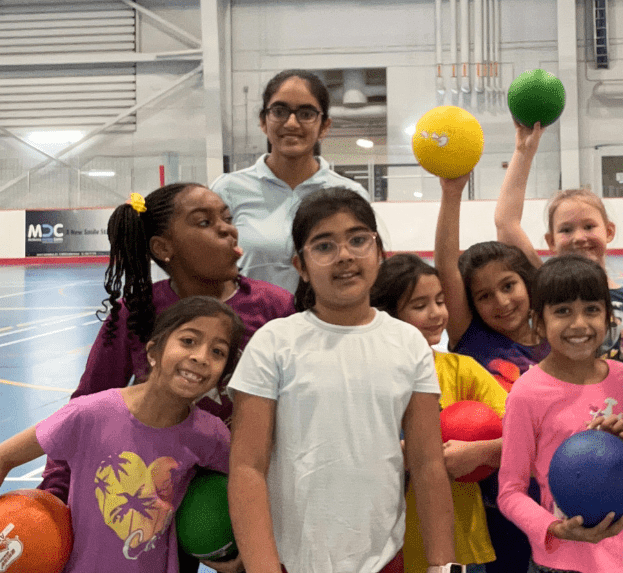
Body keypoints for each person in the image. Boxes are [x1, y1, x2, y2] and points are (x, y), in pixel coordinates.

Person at [38, 183, 293, 572]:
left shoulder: (273, 306)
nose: (229, 229)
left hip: (247, 482)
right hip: (161, 491)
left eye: (227, 218)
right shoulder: (136, 311)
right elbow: (86, 404)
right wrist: (55, 496)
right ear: (163, 248)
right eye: (205, 222)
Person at [227, 188, 457, 573]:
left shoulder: (408, 344)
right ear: (300, 265)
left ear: (379, 252)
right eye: (324, 246)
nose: (345, 255)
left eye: (357, 239)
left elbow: (428, 462)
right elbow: (248, 467)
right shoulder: (274, 343)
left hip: (383, 560)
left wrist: (443, 564)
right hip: (290, 562)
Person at [0, 296, 244, 573]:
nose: (201, 357)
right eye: (188, 341)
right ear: (153, 352)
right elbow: (4, 456)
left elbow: (249, 484)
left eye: (218, 352)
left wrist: (244, 553)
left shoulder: (209, 434)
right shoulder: (88, 413)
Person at [497, 254, 623, 573]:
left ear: (609, 317)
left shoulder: (622, 379)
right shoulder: (528, 391)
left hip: (621, 558)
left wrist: (621, 463)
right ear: (538, 321)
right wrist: (553, 527)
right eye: (563, 311)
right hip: (559, 562)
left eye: (592, 310)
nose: (579, 323)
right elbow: (510, 492)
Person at [435, 173, 550, 573]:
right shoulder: (474, 342)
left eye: (509, 285)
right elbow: (447, 266)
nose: (501, 302)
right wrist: (452, 194)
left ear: (528, 282)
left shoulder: (562, 340)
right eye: (484, 296)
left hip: (561, 506)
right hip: (500, 515)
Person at [371, 252, 508, 573]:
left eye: (440, 301)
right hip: (387, 549)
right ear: (388, 316)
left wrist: (480, 451)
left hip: (460, 545)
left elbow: (521, 435)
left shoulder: (461, 369)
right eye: (420, 306)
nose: (436, 314)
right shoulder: (370, 378)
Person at [494, 121, 623, 365]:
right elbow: (506, 223)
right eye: (566, 230)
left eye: (589, 227)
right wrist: (523, 152)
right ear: (551, 241)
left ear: (609, 231)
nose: (580, 238)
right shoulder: (544, 286)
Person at [212, 69, 370, 293]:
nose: (292, 123)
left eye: (306, 114)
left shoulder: (349, 193)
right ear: (263, 121)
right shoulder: (228, 190)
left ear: (324, 126)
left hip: (329, 324)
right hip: (250, 325)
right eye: (279, 111)